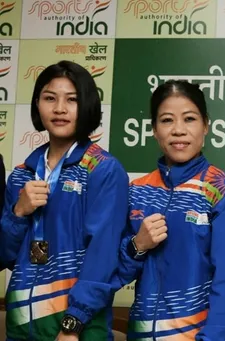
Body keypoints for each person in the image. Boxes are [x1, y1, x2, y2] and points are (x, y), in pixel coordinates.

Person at [114, 80, 225, 340]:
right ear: (154, 130)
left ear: (206, 125)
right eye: (167, 120)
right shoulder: (136, 191)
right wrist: (138, 245)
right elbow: (111, 274)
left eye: (189, 119)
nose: (179, 130)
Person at [0, 60, 129, 340]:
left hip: (78, 327)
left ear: (88, 106)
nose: (59, 109)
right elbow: (6, 256)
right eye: (50, 98)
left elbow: (103, 258)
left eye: (72, 100)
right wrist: (18, 212)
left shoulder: (103, 170)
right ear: (37, 105)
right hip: (22, 323)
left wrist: (74, 323)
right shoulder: (22, 175)